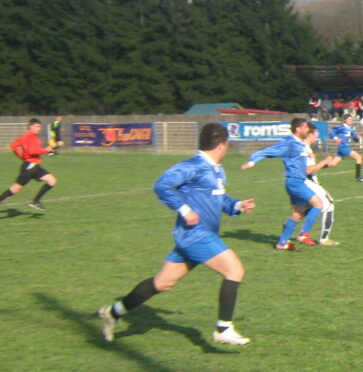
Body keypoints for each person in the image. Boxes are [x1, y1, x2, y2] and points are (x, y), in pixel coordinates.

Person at [98, 123, 255, 346]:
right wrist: (184, 210)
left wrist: (237, 206)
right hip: (195, 235)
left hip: (197, 236)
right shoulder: (194, 165)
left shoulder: (217, 170)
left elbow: (219, 199)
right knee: (235, 270)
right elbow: (162, 185)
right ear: (222, 145)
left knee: (162, 283)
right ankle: (223, 328)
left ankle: (112, 313)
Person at [241, 117, 324, 250]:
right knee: (319, 204)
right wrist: (252, 161)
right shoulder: (289, 143)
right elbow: (269, 151)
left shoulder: (300, 144)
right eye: (305, 127)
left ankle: (282, 243)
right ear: (298, 129)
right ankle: (303, 234)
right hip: (295, 182)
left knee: (297, 214)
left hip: (296, 181)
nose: (308, 129)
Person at [0, 118, 58, 211]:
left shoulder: (25, 136)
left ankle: (35, 201)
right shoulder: (31, 137)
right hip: (30, 167)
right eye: (37, 126)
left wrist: (22, 157)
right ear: (30, 126)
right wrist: (46, 150)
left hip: (34, 166)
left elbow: (13, 146)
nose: (39, 129)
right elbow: (32, 151)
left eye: (40, 127)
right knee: (15, 189)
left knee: (52, 181)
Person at [302, 126, 340, 245]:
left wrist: (327, 164)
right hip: (307, 181)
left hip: (307, 181)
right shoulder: (304, 149)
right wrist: (324, 162)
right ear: (309, 134)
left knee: (306, 209)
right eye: (316, 135)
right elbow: (307, 171)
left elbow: (312, 169)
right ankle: (324, 239)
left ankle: (291, 226)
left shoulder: (306, 148)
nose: (317, 137)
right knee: (329, 204)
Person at [329, 116, 363, 181]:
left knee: (332, 164)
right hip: (343, 147)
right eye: (349, 119)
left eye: (351, 119)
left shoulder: (351, 129)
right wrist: (336, 138)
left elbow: (354, 138)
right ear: (345, 120)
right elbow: (331, 131)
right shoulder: (341, 127)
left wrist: (357, 137)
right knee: (359, 157)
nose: (350, 120)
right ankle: (358, 177)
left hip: (344, 148)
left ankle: (315, 168)